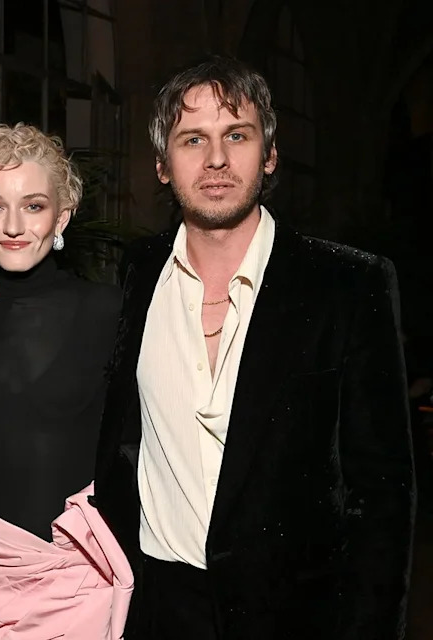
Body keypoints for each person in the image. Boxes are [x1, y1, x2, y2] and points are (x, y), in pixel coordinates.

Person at [92, 56, 415, 639]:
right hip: (159, 610)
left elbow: (382, 498)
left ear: (269, 155)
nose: (215, 159)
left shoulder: (348, 285)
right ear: (162, 164)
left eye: (236, 136)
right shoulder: (137, 273)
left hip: (294, 618)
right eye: (193, 139)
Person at [0, 124, 133, 639]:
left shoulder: (109, 311)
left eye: (33, 206)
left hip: (74, 570)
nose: (13, 226)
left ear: (62, 216)